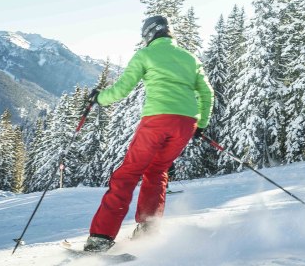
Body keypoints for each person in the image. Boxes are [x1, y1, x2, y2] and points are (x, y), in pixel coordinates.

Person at [83, 15, 214, 252]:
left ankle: (101, 237)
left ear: (150, 34)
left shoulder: (145, 55)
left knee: (129, 173)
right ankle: (148, 229)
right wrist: (200, 125)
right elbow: (207, 94)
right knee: (157, 170)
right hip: (186, 123)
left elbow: (122, 89)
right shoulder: (190, 58)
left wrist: (99, 98)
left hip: (157, 120)